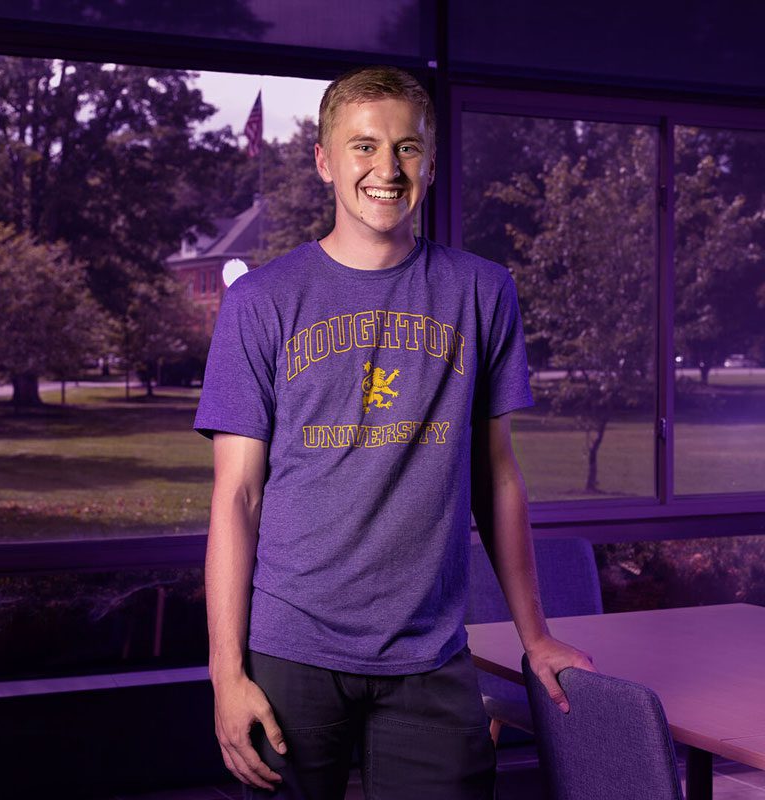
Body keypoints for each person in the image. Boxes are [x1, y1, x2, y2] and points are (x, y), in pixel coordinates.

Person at [193, 64, 596, 800]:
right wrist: (226, 672)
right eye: (364, 146)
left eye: (408, 148)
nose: (387, 168)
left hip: (431, 654)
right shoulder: (260, 303)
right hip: (292, 651)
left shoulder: (482, 291)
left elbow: (496, 475)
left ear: (433, 163)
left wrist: (534, 635)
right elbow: (237, 498)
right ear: (323, 160)